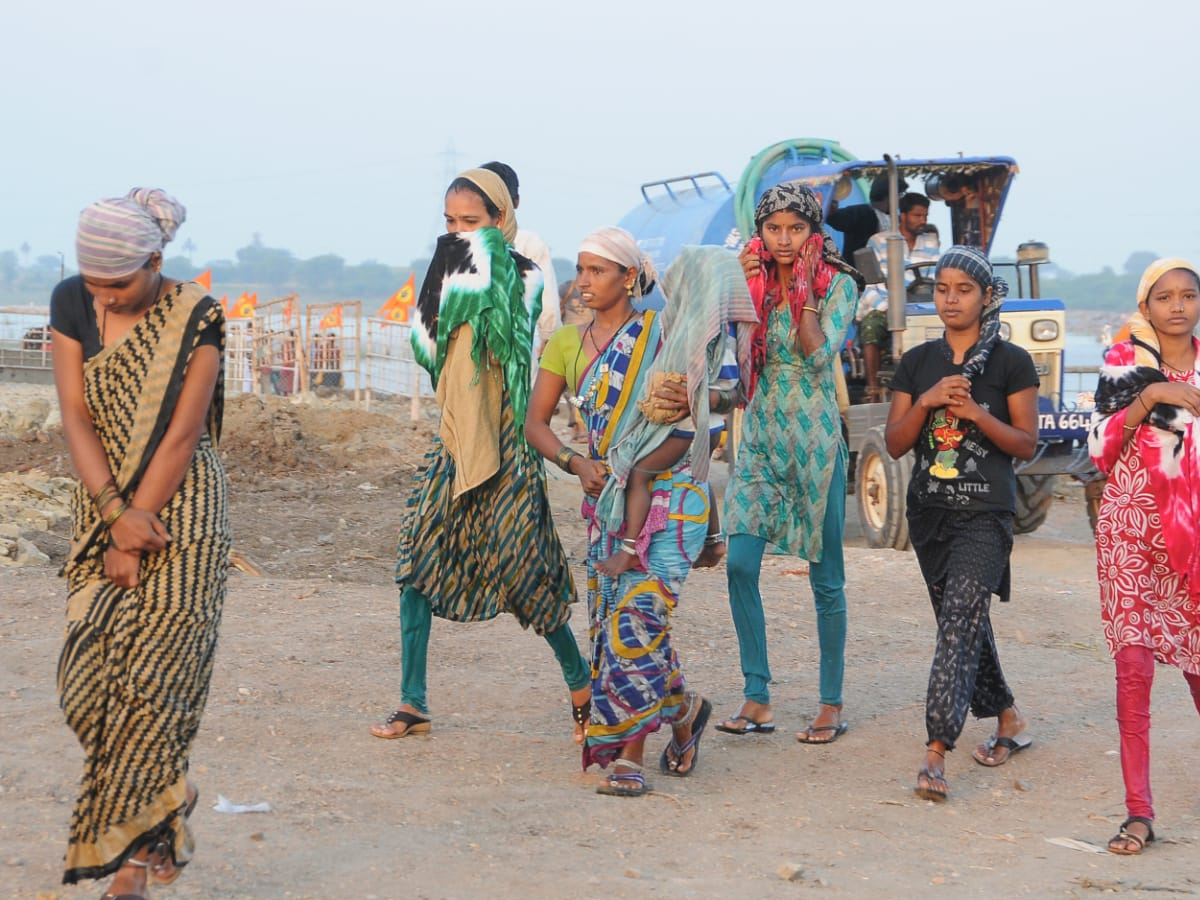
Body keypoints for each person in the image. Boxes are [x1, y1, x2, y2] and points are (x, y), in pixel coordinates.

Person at [526, 230, 755, 795]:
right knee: (619, 627)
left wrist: (698, 399)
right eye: (580, 269)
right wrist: (575, 462)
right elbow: (534, 424)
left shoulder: (663, 332)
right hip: (608, 499)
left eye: (597, 271)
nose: (583, 281)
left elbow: (730, 395)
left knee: (638, 619)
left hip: (673, 498)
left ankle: (629, 757)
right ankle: (684, 711)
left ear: (629, 278)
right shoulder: (564, 345)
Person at [371, 168, 592, 745]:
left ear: (501, 220)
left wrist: (459, 273)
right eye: (449, 222)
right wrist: (447, 284)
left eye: (471, 222)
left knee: (529, 577)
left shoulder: (523, 276)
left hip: (509, 446)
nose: (458, 232)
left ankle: (582, 686)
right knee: (415, 568)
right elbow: (423, 345)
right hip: (454, 442)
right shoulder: (444, 270)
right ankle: (412, 701)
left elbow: (518, 335)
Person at [50, 188, 229, 897]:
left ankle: (133, 863)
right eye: (95, 283)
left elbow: (183, 434)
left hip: (183, 513)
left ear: (156, 261)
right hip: (102, 504)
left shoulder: (197, 315)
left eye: (119, 283)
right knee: (84, 684)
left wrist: (137, 522)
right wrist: (111, 513)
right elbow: (75, 412)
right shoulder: (71, 302)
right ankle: (167, 794)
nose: (106, 297)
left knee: (156, 686)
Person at [884, 246, 1038, 802]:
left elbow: (1026, 444)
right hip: (929, 516)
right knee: (965, 621)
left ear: (986, 296)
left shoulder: (1011, 362)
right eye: (942, 288)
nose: (950, 298)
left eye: (963, 289)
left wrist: (977, 414)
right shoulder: (918, 361)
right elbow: (896, 443)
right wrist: (925, 401)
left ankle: (936, 750)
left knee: (957, 623)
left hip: (986, 515)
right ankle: (1008, 717)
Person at [718, 182, 862, 744]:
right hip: (758, 435)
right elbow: (719, 345)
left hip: (816, 441)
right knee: (739, 562)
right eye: (773, 229)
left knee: (825, 579)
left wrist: (803, 292)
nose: (784, 239)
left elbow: (817, 351)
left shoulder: (840, 283)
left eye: (796, 228)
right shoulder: (748, 281)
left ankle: (830, 702)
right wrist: (737, 284)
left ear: (813, 231)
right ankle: (757, 696)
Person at [1088, 258, 1200, 854]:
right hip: (1131, 529)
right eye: (1165, 297)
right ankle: (1139, 812)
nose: (1177, 306)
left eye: (1188, 295)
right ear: (1147, 306)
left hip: (1194, 541)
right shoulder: (1124, 363)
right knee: (1133, 670)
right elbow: (1099, 447)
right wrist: (1151, 395)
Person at [856, 192, 941, 400]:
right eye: (917, 216)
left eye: (925, 216)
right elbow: (870, 284)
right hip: (885, 304)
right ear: (902, 216)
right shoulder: (878, 242)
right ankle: (873, 388)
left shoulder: (930, 243)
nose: (923, 221)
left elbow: (934, 278)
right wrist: (890, 308)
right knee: (871, 325)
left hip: (920, 305)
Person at [480, 161, 561, 355]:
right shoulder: (530, 243)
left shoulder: (465, 243)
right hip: (518, 352)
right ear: (516, 201)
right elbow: (547, 305)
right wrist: (549, 338)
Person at [826, 172, 906, 259]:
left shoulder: (898, 218)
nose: (901, 199)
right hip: (862, 269)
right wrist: (831, 206)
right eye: (900, 195)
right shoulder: (859, 213)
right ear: (889, 195)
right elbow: (836, 218)